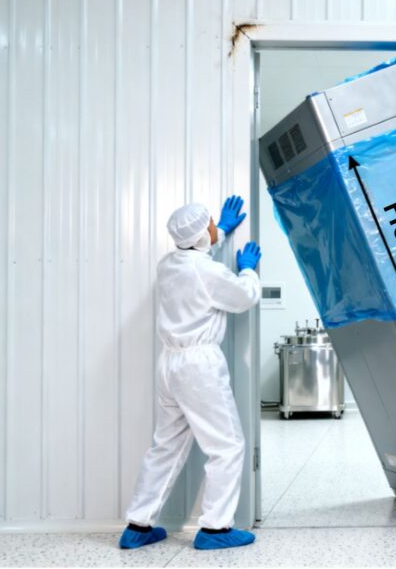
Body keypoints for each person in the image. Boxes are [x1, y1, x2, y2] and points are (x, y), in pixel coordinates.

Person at [120, 195, 263, 551]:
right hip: (198, 367)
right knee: (227, 445)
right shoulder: (208, 271)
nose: (216, 226)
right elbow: (243, 297)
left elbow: (196, 259)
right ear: (201, 237)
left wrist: (223, 231)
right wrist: (247, 269)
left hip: (169, 364)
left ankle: (138, 525)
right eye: (212, 224)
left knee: (166, 445)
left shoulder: (168, 264)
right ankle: (215, 529)